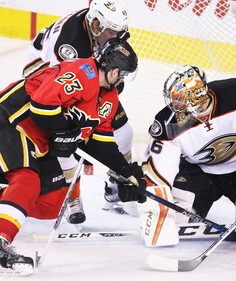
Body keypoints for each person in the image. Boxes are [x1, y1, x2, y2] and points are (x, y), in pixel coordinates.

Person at [0, 38, 146, 275]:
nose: (122, 79)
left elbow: (101, 142)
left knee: (51, 204)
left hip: (36, 139)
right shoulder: (82, 72)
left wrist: (126, 172)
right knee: (27, 179)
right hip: (9, 121)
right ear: (112, 68)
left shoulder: (108, 97)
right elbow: (41, 107)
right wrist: (65, 132)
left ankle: (6, 207)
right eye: (121, 73)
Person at [134, 65, 236, 246]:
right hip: (200, 174)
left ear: (197, 96)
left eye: (179, 100)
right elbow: (158, 172)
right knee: (176, 222)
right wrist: (146, 195)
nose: (173, 105)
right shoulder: (167, 125)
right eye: (173, 100)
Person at [22, 0, 134, 224]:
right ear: (95, 25)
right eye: (111, 31)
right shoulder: (70, 45)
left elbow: (110, 78)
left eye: (118, 32)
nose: (115, 37)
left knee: (123, 132)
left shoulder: (104, 28)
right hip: (44, 77)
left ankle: (116, 184)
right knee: (68, 137)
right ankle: (72, 196)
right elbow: (68, 83)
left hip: (88, 76)